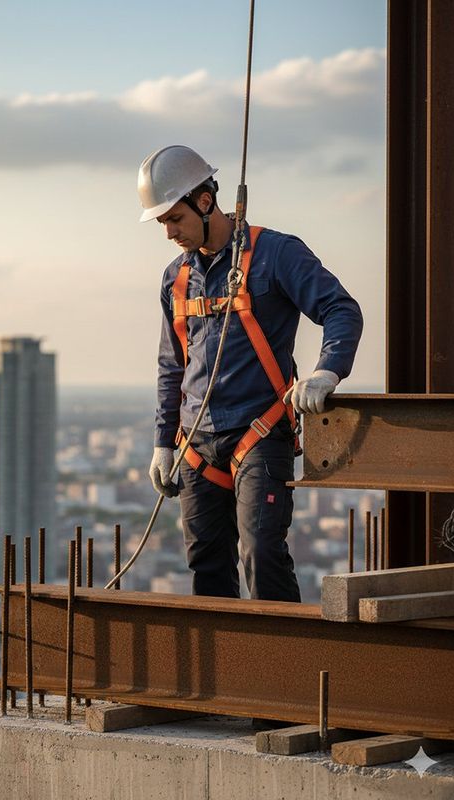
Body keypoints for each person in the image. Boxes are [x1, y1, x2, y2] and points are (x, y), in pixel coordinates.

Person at [138, 144, 363, 602]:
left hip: (258, 434)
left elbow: (341, 309)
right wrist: (164, 442)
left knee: (261, 554)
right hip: (196, 443)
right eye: (162, 223)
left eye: (174, 218)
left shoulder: (275, 254)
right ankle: (223, 652)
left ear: (205, 201)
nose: (169, 232)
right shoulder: (176, 279)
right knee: (207, 566)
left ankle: (282, 649)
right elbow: (172, 366)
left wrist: (327, 371)